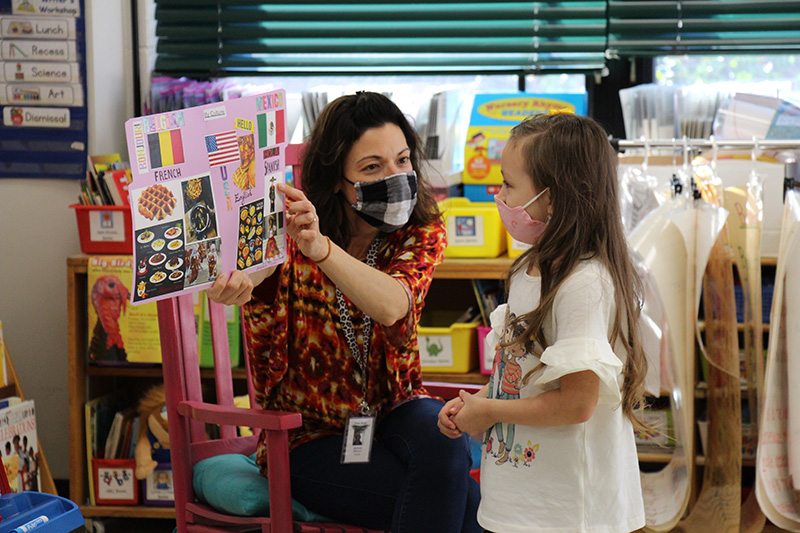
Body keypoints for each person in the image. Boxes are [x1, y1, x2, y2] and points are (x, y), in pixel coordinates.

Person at [208, 91, 480, 532]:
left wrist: (323, 250)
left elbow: (394, 304)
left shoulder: (421, 230)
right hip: (306, 434)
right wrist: (237, 285)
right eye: (372, 167)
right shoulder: (288, 230)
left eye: (403, 160)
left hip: (395, 409)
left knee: (447, 442)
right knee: (469, 505)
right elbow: (251, 276)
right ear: (337, 179)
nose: (395, 176)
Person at [438, 112, 648, 532]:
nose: (499, 195)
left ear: (552, 198)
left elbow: (577, 403)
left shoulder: (585, 283)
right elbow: (521, 373)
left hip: (568, 508)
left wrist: (490, 411)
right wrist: (477, 402)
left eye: (509, 184)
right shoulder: (527, 270)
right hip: (522, 495)